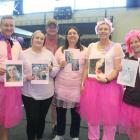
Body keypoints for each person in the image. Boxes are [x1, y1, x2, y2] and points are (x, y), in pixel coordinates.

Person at [79, 18, 124, 140]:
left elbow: (117, 68)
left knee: (110, 120)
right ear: (97, 31)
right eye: (100, 29)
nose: (103, 31)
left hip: (110, 87)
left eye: (106, 29)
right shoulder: (91, 46)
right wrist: (82, 83)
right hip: (92, 86)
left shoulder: (116, 47)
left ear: (110, 31)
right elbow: (87, 67)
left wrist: (107, 79)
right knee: (93, 119)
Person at [20, 30, 59, 140]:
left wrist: (51, 69)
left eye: (42, 38)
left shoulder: (49, 53)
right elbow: (16, 74)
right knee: (32, 119)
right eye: (37, 37)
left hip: (46, 94)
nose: (39, 40)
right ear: (32, 39)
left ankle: (39, 137)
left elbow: (56, 70)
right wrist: (26, 77)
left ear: (44, 41)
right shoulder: (23, 54)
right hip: (29, 94)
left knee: (41, 119)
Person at [52, 26, 88, 140]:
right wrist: (60, 64)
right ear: (66, 36)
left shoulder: (85, 50)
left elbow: (87, 69)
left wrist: (84, 84)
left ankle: (75, 136)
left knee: (76, 114)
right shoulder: (60, 50)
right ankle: (59, 134)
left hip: (77, 87)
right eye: (70, 33)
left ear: (78, 35)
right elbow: (53, 66)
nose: (72, 35)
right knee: (60, 113)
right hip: (61, 86)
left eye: (74, 33)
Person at [0, 15, 23, 140]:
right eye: (6, 25)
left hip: (11, 87)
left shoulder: (17, 44)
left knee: (5, 118)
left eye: (11, 25)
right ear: (0, 26)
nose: (9, 28)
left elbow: (21, 63)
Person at [44, 18, 64, 137]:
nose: (52, 28)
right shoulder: (41, 38)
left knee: (55, 103)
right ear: (46, 28)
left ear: (57, 28)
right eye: (50, 26)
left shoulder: (63, 40)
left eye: (54, 26)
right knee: (42, 100)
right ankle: (35, 123)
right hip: (43, 74)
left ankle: (55, 125)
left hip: (60, 73)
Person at [119, 30, 140, 140]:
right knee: (133, 131)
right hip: (131, 101)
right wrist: (121, 72)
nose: (134, 44)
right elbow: (124, 83)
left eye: (136, 41)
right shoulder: (128, 61)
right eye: (131, 43)